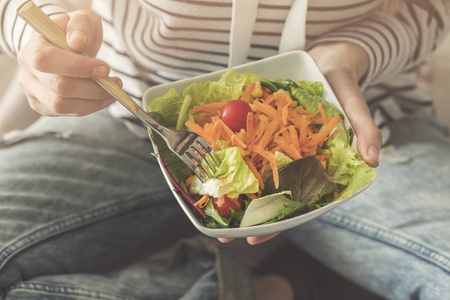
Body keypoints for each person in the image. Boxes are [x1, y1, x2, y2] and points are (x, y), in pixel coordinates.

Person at [0, 0, 449, 299]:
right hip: (132, 113)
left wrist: (352, 52)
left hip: (361, 123)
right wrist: (42, 40)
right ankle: (254, 284)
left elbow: (429, 8)